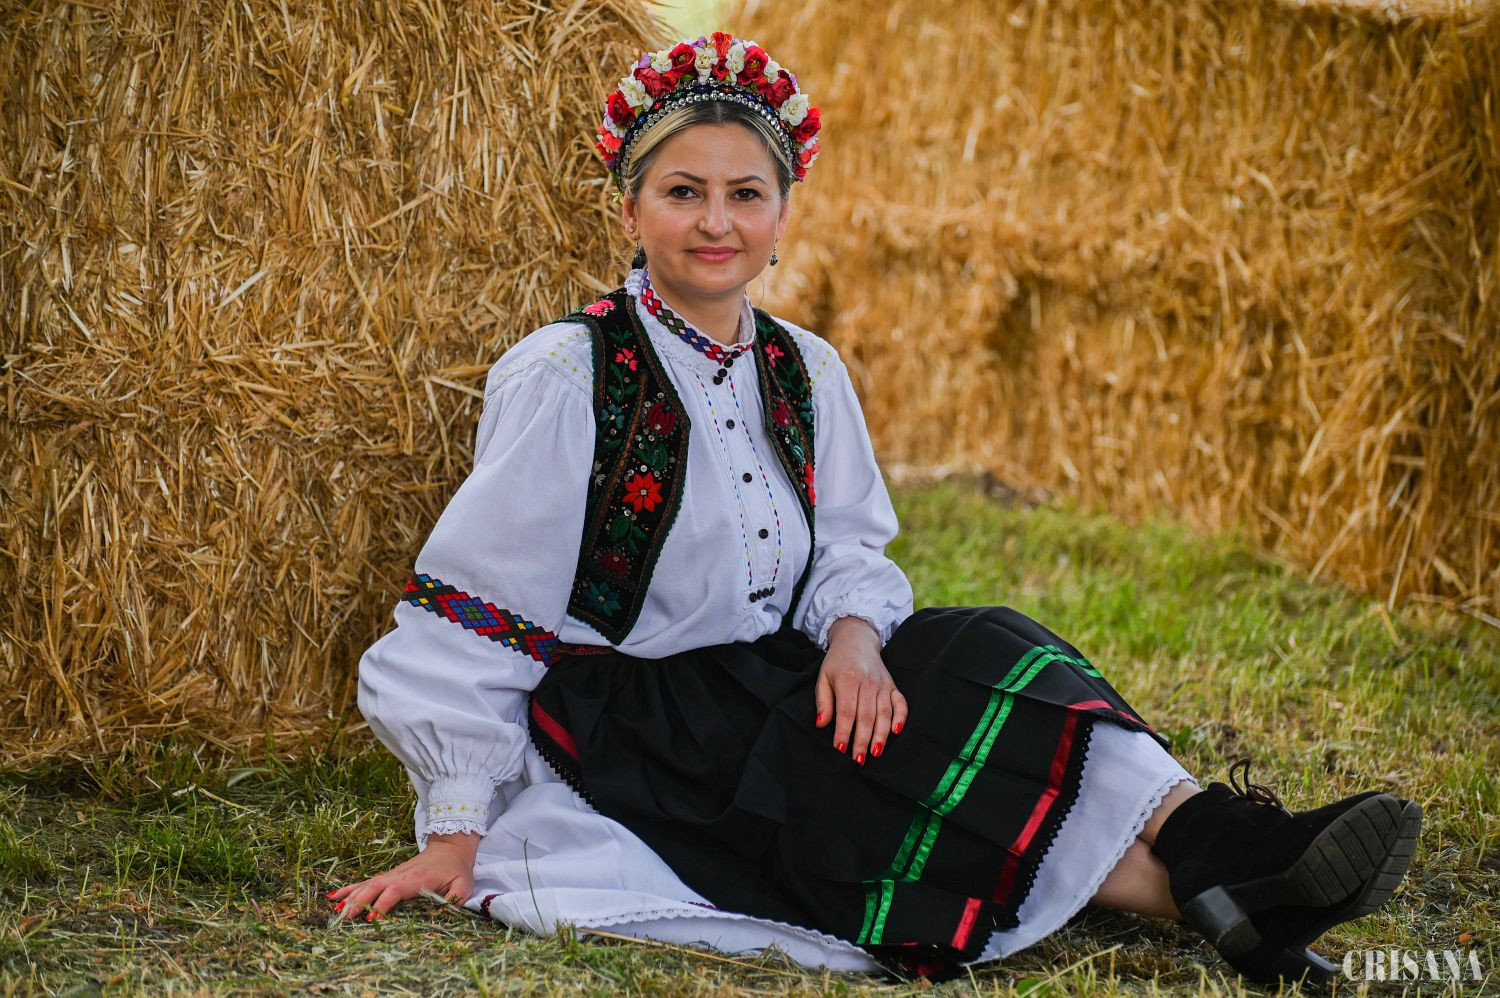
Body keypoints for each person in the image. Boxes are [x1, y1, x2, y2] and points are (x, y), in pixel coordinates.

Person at [328, 32, 1421, 984]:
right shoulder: (572, 375)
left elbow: (850, 541)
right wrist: (458, 825)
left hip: (771, 674)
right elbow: (478, 604)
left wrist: (855, 637)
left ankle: (1227, 861)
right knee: (890, 798)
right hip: (638, 727)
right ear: (631, 208)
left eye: (745, 194)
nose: (716, 222)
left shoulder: (806, 369)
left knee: (982, 648)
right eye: (683, 192)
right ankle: (1239, 887)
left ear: (782, 215)